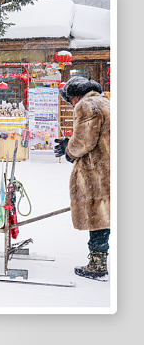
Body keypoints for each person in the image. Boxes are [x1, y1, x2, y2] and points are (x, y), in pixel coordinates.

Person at [55, 77, 110, 280]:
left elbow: (84, 141)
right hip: (109, 167)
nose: (71, 104)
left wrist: (69, 150)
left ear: (75, 96)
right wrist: (69, 144)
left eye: (70, 100)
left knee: (98, 217)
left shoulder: (86, 105)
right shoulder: (104, 102)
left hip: (97, 171)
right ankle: (98, 260)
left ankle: (97, 265)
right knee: (105, 214)